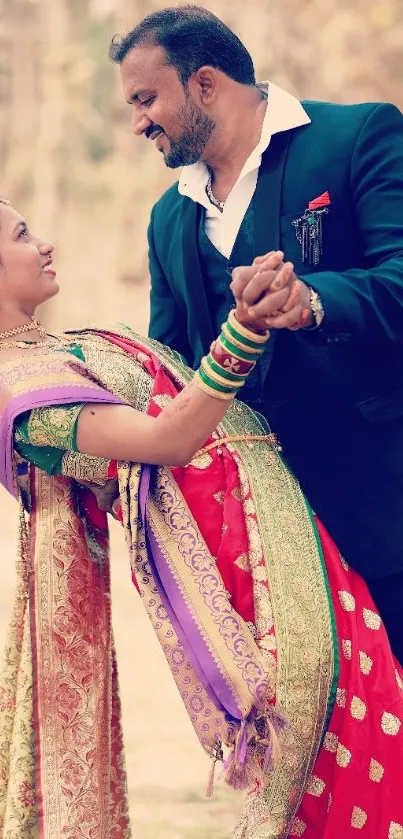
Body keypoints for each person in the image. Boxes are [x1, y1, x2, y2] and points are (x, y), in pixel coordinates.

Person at [0, 199, 402, 839]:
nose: (45, 243)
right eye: (23, 235)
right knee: (325, 729)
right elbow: (167, 441)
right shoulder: (23, 395)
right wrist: (245, 330)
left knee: (372, 706)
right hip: (238, 554)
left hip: (274, 514)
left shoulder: (51, 352)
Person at [109, 5, 403, 666]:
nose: (137, 123)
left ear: (205, 84)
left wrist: (312, 300)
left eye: (146, 99)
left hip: (386, 508)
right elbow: (174, 373)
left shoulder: (357, 136)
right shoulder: (166, 221)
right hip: (275, 554)